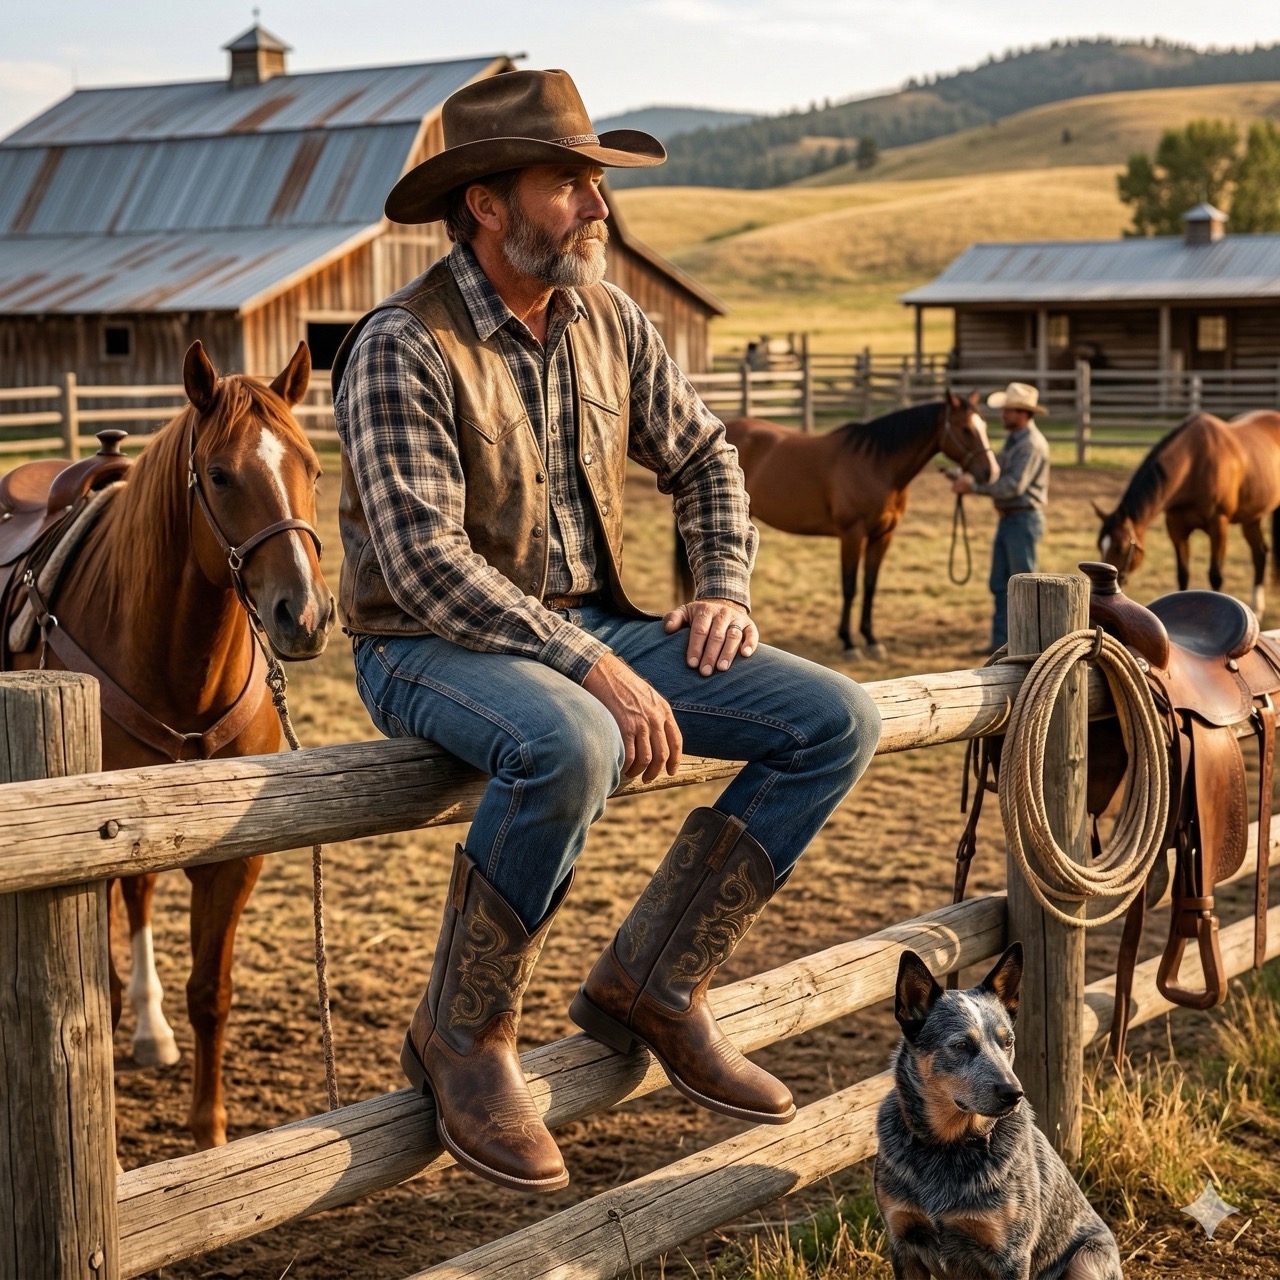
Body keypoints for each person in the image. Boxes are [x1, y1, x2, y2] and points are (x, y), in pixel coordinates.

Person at [331, 68, 881, 1194]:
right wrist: (583, 659)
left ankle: (653, 979)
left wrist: (721, 582)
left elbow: (705, 456)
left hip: (600, 627)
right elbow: (423, 559)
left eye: (596, 182)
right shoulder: (402, 343)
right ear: (486, 204)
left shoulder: (609, 319)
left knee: (836, 715)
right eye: (570, 183)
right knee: (572, 740)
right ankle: (465, 1036)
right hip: (426, 642)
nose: (598, 207)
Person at [951, 381, 1051, 652]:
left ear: (1022, 413)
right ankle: (1001, 643)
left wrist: (973, 487)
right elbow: (999, 473)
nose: (1003, 415)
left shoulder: (1030, 444)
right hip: (1011, 519)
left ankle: (1028, 645)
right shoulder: (1015, 441)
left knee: (1024, 586)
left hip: (1022, 520)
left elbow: (1012, 486)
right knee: (1001, 583)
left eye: (1008, 411)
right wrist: (969, 475)